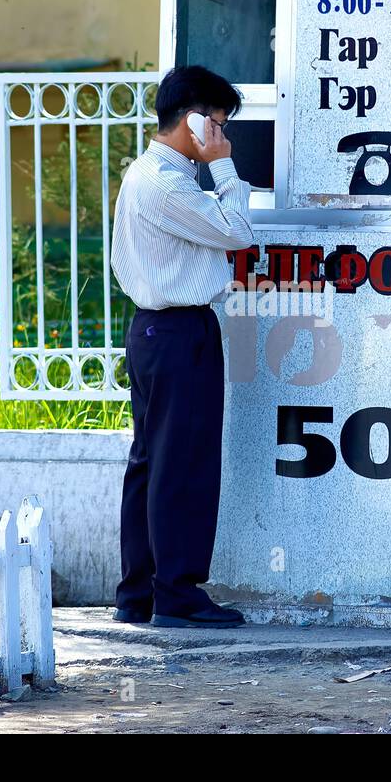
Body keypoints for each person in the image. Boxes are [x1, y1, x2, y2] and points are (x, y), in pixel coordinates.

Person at [109, 65, 256, 628]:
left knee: (151, 463)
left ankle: (137, 594)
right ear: (195, 119)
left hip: (156, 332)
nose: (223, 135)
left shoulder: (150, 175)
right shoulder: (166, 183)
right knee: (183, 465)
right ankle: (177, 594)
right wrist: (225, 168)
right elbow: (238, 230)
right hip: (177, 332)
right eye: (218, 123)